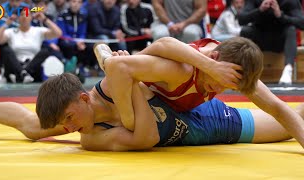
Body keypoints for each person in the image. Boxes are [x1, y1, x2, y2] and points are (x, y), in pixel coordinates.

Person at [0, 72, 304, 151]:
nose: (67, 129)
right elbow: (147, 137)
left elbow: (163, 54)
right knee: (34, 127)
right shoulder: (90, 137)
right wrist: (134, 84)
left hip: (213, 117)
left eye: (68, 118)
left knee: (291, 120)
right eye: (63, 123)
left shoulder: (119, 79)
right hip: (213, 131)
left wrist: (128, 73)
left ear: (84, 98)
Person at [93, 36, 304, 148]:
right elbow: (164, 44)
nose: (220, 90)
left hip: (181, 114)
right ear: (213, 59)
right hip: (155, 105)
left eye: (228, 88)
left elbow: (276, 107)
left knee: (286, 125)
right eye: (221, 82)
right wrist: (130, 123)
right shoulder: (183, 68)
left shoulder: (231, 66)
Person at [237, 0, 304, 85]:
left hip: (280, 41)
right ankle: (245, 70)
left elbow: (302, 23)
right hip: (259, 41)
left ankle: (288, 69)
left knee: (291, 30)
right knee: (246, 31)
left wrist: (281, 15)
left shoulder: (289, 1)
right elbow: (241, 20)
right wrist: (260, 10)